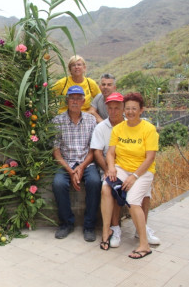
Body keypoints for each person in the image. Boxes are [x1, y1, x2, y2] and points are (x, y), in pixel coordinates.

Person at [92, 93, 160, 249]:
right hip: (121, 167)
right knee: (106, 187)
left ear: (141, 110)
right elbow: (110, 152)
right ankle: (108, 231)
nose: (130, 112)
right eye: (128, 108)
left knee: (133, 199)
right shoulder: (119, 129)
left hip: (142, 170)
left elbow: (150, 158)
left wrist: (135, 176)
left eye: (134, 109)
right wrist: (111, 168)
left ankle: (142, 234)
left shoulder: (148, 129)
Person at [52, 85, 101, 242]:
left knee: (95, 182)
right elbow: (56, 152)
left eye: (78, 98)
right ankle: (66, 223)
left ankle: (89, 226)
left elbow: (93, 150)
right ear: (67, 100)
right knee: (58, 184)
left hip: (86, 162)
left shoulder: (91, 120)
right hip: (65, 163)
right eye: (72, 98)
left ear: (83, 100)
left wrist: (81, 167)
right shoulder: (57, 121)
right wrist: (70, 170)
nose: (75, 101)